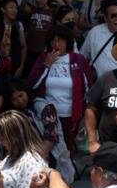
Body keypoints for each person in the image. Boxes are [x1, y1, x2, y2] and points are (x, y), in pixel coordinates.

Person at [27, 25, 94, 153]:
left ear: (67, 42)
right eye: (53, 40)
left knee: (67, 151)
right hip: (48, 117)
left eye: (60, 40)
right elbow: (32, 85)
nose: (56, 44)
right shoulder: (43, 57)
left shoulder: (78, 59)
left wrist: (84, 111)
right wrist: (46, 65)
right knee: (50, 151)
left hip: (70, 116)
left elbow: (89, 87)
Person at [79, 0, 117, 80]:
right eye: (113, 16)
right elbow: (82, 57)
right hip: (99, 85)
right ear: (106, 18)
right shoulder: (94, 32)